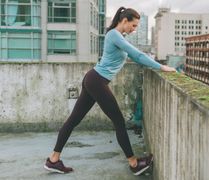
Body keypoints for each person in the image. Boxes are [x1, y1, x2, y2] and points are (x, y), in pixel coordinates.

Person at [44, 7, 176, 176]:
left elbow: (133, 56)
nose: (134, 30)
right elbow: (137, 55)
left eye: (136, 27)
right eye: (133, 25)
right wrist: (162, 67)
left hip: (93, 79)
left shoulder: (118, 36)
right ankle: (134, 164)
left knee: (73, 120)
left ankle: (53, 160)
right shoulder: (114, 35)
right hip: (96, 81)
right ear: (125, 20)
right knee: (118, 122)